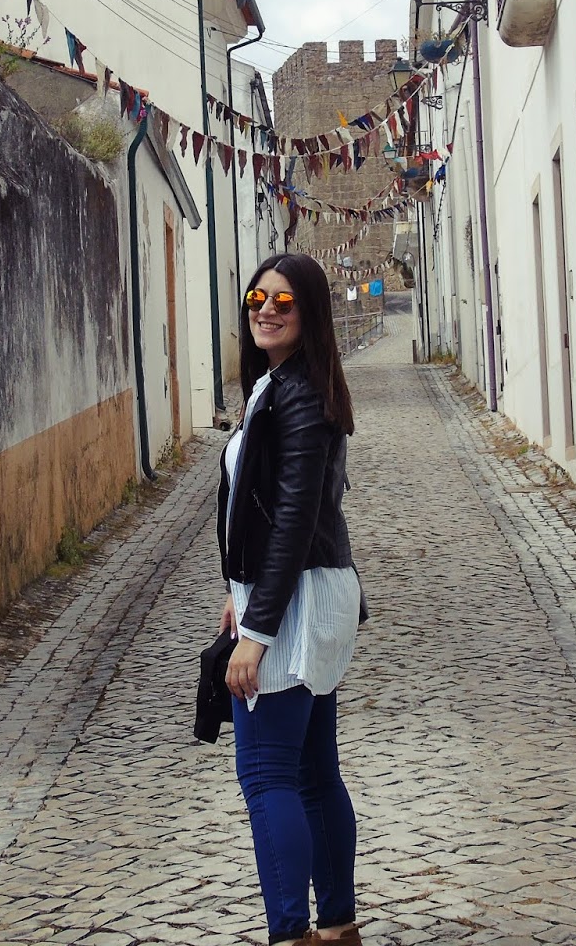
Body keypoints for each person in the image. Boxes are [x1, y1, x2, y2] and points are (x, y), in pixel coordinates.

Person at [218, 252, 363, 946]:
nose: (267, 310)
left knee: (266, 773)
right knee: (312, 772)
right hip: (305, 592)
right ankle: (337, 929)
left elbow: (296, 522)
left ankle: (291, 935)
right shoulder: (284, 385)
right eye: (258, 298)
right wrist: (236, 592)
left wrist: (256, 633)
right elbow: (260, 509)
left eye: (284, 301)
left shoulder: (299, 395)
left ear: (310, 312)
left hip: (297, 600)